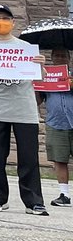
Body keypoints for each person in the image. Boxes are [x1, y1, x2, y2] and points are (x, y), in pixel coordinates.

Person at [0, 4, 47, 215]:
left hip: (24, 109)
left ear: (13, 22)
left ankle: (33, 201)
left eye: (5, 18)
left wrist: (40, 64)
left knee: (28, 157)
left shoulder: (25, 47)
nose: (1, 21)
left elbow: (39, 78)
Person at [43, 50, 73, 207]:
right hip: (56, 123)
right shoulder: (45, 76)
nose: (60, 58)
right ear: (52, 58)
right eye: (57, 55)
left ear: (69, 58)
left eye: (63, 55)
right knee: (59, 160)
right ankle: (64, 194)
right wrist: (35, 85)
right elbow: (38, 100)